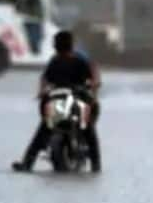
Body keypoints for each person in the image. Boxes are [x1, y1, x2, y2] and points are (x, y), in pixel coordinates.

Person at [12, 30, 102, 172]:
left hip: (69, 103)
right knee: (88, 130)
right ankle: (96, 165)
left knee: (43, 130)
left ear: (55, 46)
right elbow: (93, 78)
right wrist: (94, 86)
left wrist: (42, 91)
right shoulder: (65, 61)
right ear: (71, 45)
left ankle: (27, 163)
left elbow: (45, 79)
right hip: (64, 103)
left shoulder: (61, 61)